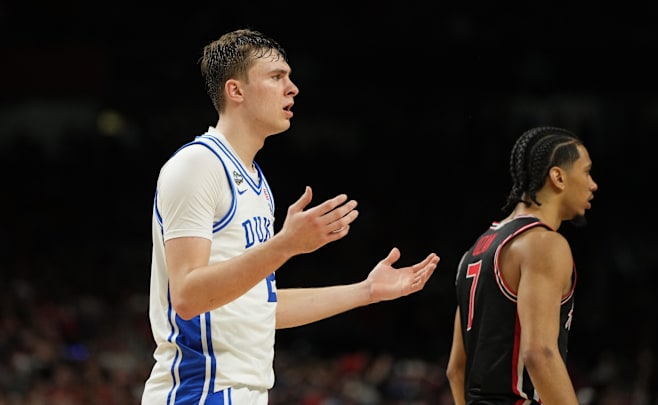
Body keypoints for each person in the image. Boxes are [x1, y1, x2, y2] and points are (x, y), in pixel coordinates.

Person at [141, 28, 440, 405]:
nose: (292, 88)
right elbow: (186, 297)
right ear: (237, 91)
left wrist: (365, 292)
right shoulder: (198, 165)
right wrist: (285, 245)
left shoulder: (256, 183)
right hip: (200, 391)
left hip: (246, 391)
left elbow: (260, 306)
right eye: (276, 77)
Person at [446, 126, 598, 405]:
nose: (593, 184)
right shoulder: (544, 244)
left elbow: (456, 369)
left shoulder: (477, 249)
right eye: (587, 172)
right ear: (558, 177)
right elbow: (539, 354)